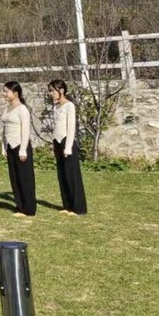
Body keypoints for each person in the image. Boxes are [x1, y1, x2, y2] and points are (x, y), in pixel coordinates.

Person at [50, 79, 88, 215]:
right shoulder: (56, 107)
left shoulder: (69, 106)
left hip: (67, 142)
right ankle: (67, 205)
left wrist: (67, 147)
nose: (51, 94)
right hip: (57, 141)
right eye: (50, 91)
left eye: (53, 91)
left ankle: (78, 207)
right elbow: (56, 126)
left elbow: (71, 127)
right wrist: (53, 144)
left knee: (72, 175)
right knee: (62, 174)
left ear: (61, 91)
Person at [0, 81, 36, 217]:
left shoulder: (22, 109)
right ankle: (20, 206)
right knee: (14, 177)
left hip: (21, 146)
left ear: (15, 93)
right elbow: (5, 130)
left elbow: (26, 130)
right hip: (10, 146)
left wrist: (23, 149)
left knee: (25, 178)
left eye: (6, 91)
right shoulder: (7, 109)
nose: (4, 94)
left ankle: (29, 209)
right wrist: (4, 146)